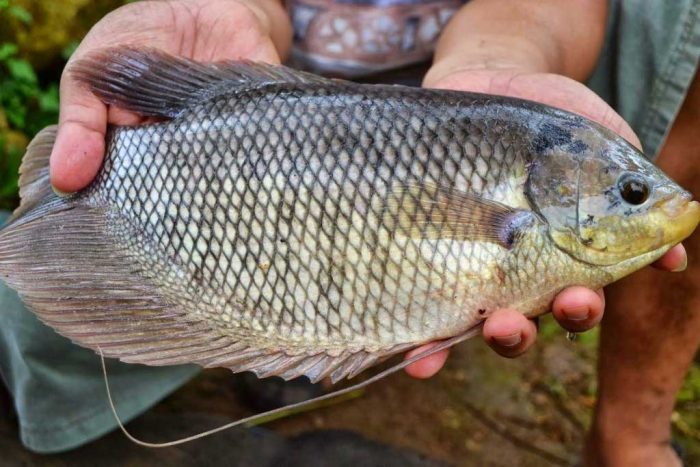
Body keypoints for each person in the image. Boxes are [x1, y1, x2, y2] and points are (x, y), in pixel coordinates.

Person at [0, 0, 696, 465]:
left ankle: (633, 435)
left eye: (631, 193)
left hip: (483, 73)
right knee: (38, 309)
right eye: (633, 195)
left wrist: (508, 53)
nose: (656, 204)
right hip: (265, 85)